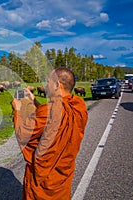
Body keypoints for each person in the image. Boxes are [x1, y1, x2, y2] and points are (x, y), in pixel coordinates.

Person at [12, 67, 88, 200]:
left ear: (57, 84)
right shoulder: (79, 106)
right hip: (63, 175)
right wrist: (34, 100)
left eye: (48, 82)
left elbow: (24, 133)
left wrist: (17, 109)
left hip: (44, 178)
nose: (46, 86)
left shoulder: (50, 110)